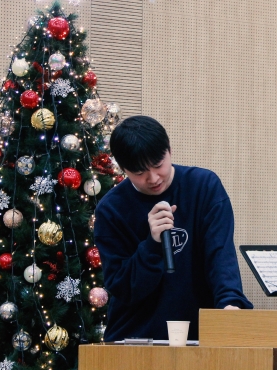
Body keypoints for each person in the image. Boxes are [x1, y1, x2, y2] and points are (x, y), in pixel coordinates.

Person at [93, 115, 253, 342]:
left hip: (199, 333)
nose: (153, 178)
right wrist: (152, 245)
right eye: (139, 172)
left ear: (169, 150)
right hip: (136, 338)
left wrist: (230, 303)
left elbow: (220, 255)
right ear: (123, 169)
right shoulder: (111, 209)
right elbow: (123, 288)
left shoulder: (204, 187)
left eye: (158, 165)